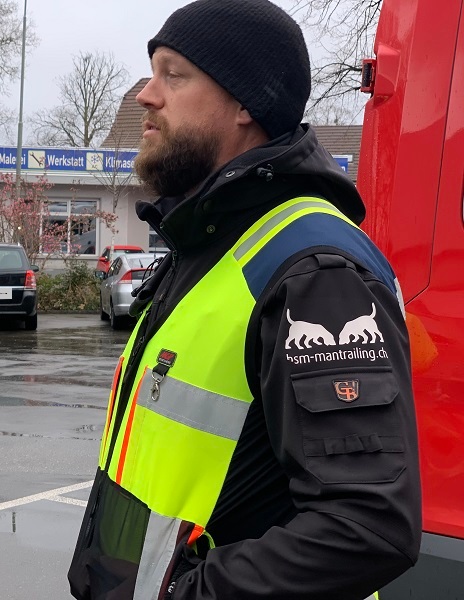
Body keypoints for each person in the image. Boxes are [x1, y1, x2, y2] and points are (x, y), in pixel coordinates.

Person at [68, 1, 421, 598]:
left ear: (245, 104)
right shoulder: (209, 246)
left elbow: (366, 526)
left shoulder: (314, 270)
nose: (146, 96)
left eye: (174, 74)